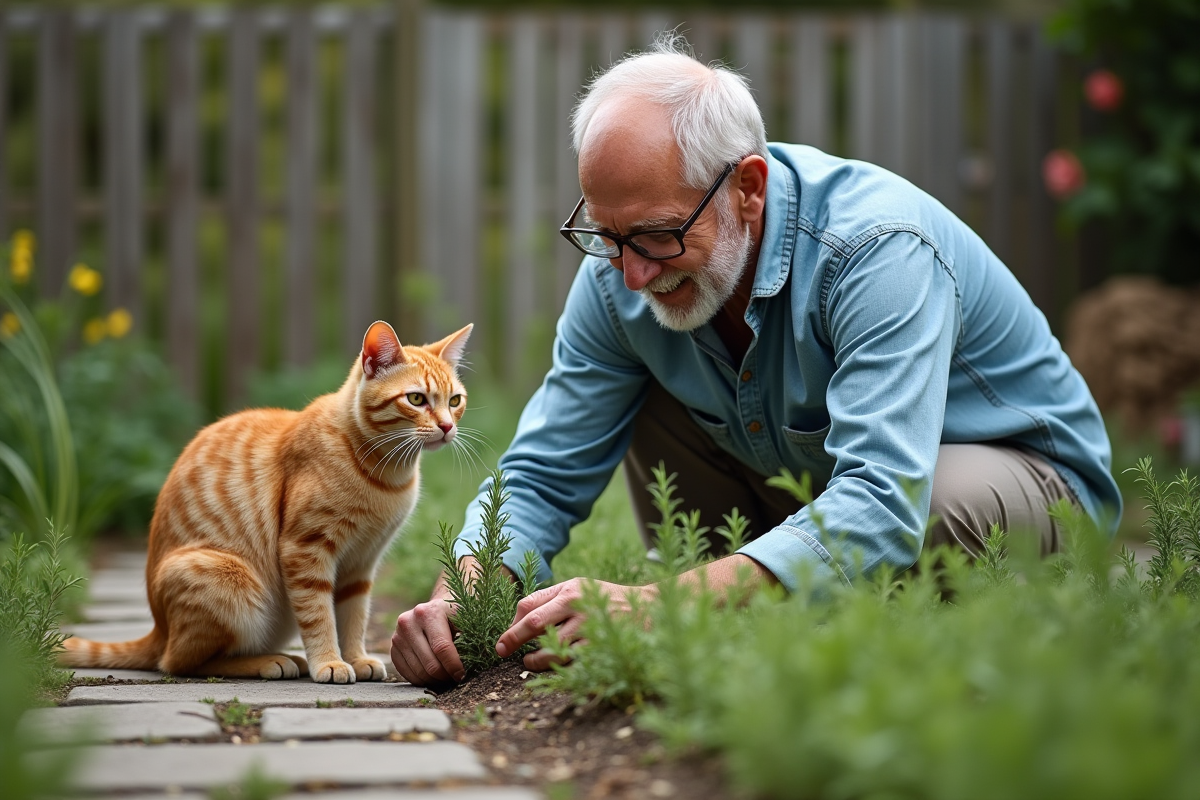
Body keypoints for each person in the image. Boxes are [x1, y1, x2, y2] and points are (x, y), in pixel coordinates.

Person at [389, 35, 1122, 686]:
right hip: (821, 490)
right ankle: (772, 591)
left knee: (918, 508)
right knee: (649, 370)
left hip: (1013, 477)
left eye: (656, 236)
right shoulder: (619, 271)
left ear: (747, 188)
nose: (631, 273)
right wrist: (464, 595)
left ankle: (770, 599)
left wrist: (664, 601)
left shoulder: (876, 251)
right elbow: (543, 471)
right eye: (604, 236)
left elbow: (881, 500)